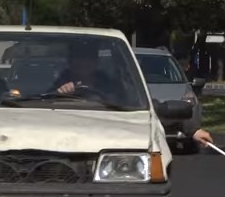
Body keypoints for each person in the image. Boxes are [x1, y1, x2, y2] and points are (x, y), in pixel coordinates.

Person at [55, 43, 214, 146]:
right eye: (79, 59)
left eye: (89, 59)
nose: (84, 63)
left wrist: (192, 129)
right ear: (70, 61)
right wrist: (59, 94)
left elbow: (148, 109)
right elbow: (40, 108)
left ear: (96, 62)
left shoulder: (113, 87)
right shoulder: (55, 87)